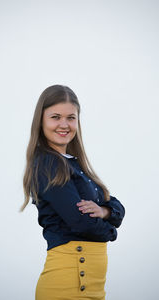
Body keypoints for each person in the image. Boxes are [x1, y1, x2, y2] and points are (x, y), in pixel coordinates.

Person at [20, 84, 125, 300]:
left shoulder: (76, 166)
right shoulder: (48, 164)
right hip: (68, 282)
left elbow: (116, 205)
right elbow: (81, 222)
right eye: (55, 117)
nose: (64, 124)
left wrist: (105, 212)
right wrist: (112, 232)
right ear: (41, 121)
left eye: (71, 117)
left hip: (92, 285)